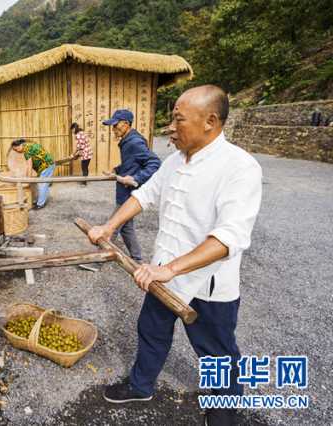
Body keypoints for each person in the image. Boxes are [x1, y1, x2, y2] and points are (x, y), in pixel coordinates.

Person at [88, 85, 262, 426]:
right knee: (151, 331)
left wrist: (169, 269)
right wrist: (109, 227)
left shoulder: (240, 167)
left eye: (178, 120)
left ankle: (225, 412)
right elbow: (143, 195)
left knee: (216, 352)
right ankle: (141, 387)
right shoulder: (173, 162)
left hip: (207, 285)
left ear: (210, 121)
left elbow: (229, 238)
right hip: (161, 275)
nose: (170, 127)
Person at [102, 109, 161, 263]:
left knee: (112, 226)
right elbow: (131, 164)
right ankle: (137, 259)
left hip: (129, 193)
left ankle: (97, 259)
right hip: (124, 191)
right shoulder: (127, 140)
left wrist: (135, 178)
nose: (113, 129)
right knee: (126, 228)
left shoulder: (134, 142)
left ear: (126, 124)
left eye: (115, 125)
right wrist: (116, 170)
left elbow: (154, 163)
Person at [10, 139, 55, 209]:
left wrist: (28, 179)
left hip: (46, 166)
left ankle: (40, 204)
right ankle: (40, 200)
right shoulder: (30, 145)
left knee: (42, 184)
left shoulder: (27, 151)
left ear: (19, 146)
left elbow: (29, 165)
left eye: (16, 149)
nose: (17, 152)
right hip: (47, 165)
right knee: (44, 184)